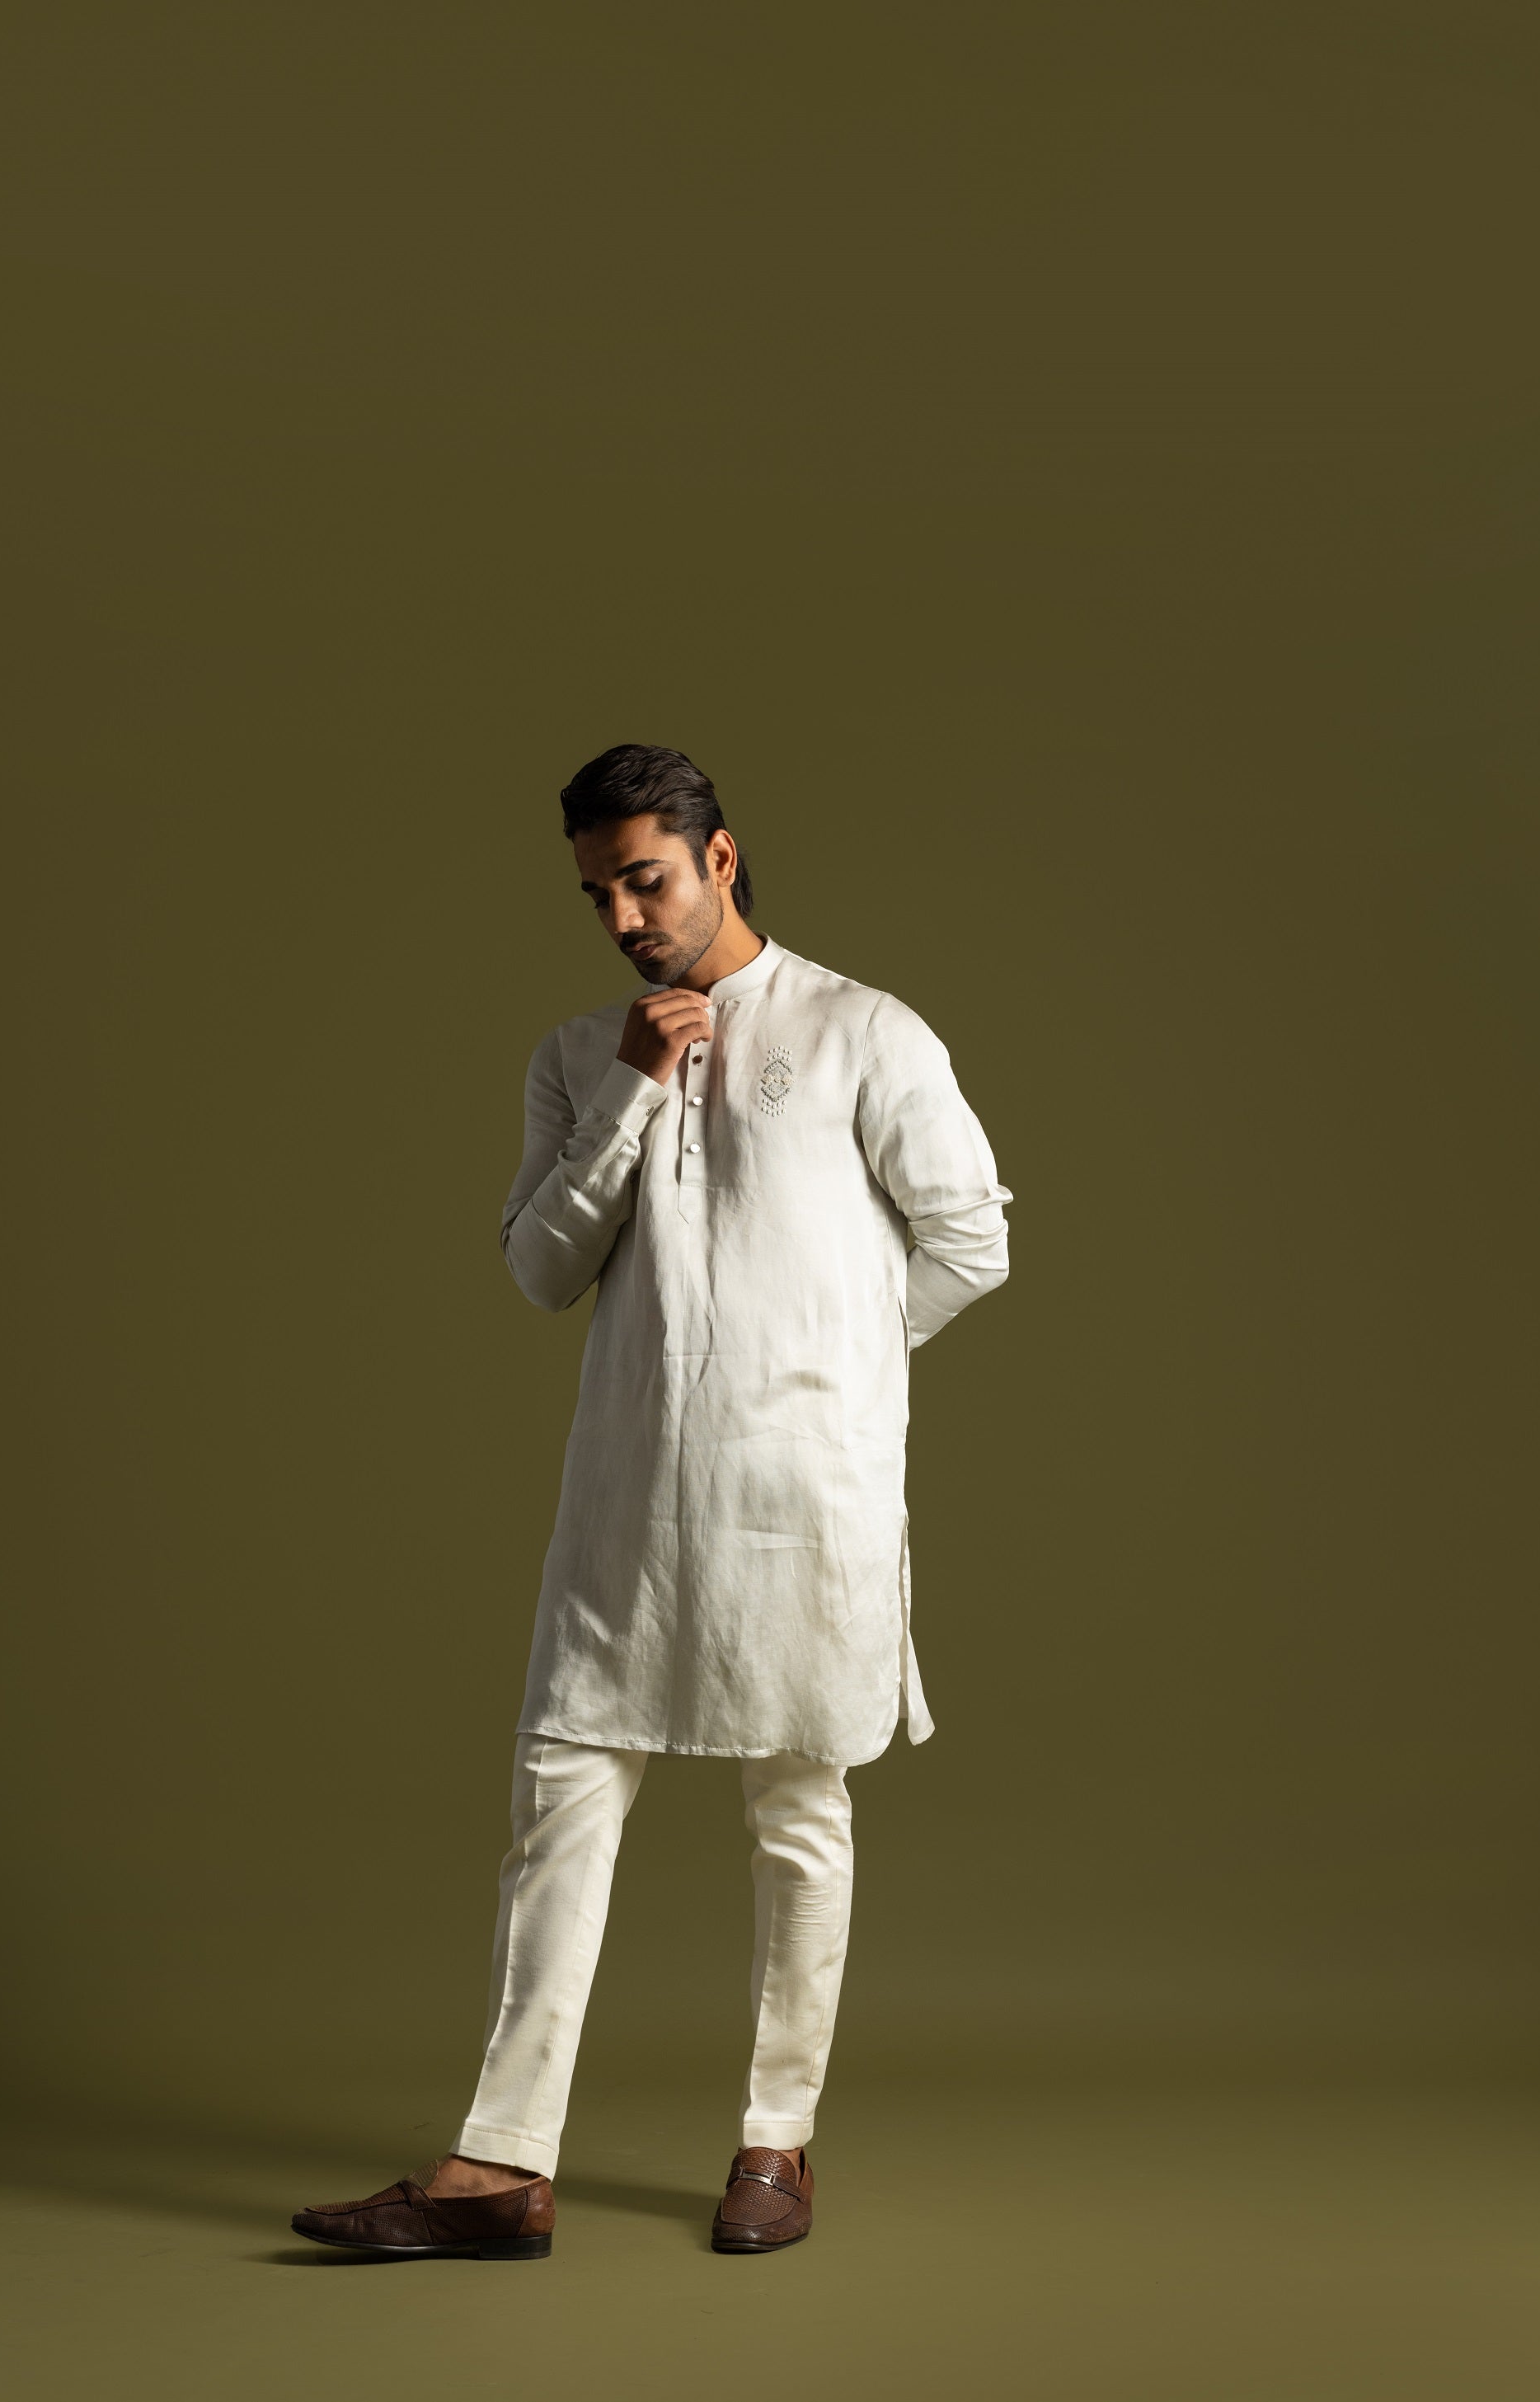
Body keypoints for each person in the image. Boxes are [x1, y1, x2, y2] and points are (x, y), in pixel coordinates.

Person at [292, 743, 1012, 2262]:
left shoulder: (863, 1029)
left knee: (798, 1810)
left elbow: (970, 1239)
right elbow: (542, 1266)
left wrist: (825, 1369)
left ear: (720, 859)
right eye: (599, 893)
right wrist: (634, 1086)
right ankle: (501, 2166)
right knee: (559, 1793)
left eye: (647, 879)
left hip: (803, 1495)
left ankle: (775, 2141)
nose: (625, 916)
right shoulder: (578, 1054)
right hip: (628, 1493)